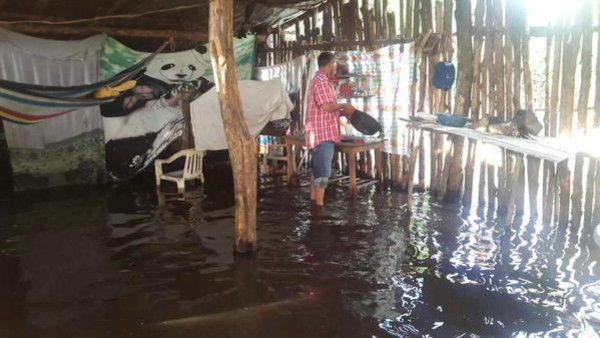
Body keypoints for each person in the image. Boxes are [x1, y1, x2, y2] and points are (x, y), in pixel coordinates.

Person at [305, 52, 355, 207]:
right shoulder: (321, 81)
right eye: (334, 63)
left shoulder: (323, 80)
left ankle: (314, 204)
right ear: (329, 64)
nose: (335, 67)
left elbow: (325, 108)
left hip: (320, 132)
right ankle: (319, 211)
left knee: (317, 170)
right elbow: (326, 106)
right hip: (322, 134)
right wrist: (343, 106)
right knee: (323, 174)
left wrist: (341, 112)